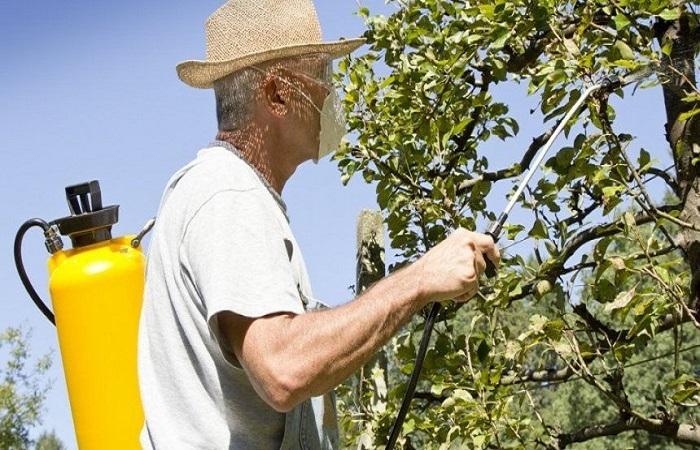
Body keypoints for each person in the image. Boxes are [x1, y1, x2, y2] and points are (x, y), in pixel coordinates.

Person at [137, 0, 501, 449]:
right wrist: (421, 279)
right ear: (276, 95)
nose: (331, 94)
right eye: (322, 77)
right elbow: (283, 369)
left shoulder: (229, 194)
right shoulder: (228, 194)